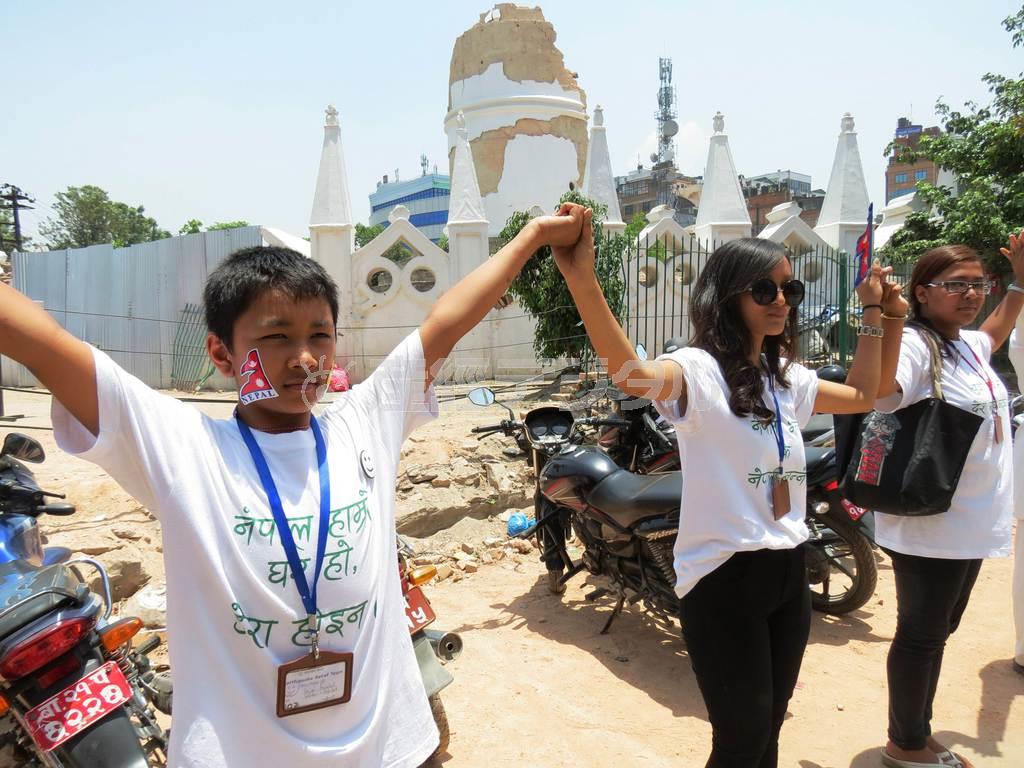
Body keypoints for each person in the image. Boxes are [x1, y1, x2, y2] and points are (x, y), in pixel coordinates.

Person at [0, 207, 584, 768]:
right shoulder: (181, 447)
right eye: (276, 337)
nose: (304, 358)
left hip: (392, 747)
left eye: (320, 336)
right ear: (221, 354)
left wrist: (532, 236)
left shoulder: (366, 420)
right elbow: (40, 340)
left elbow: (447, 320)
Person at [551, 203, 904, 768]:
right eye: (764, 290)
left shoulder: (786, 377)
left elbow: (867, 394)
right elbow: (632, 376)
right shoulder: (697, 370)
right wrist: (582, 278)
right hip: (724, 575)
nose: (781, 302)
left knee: (769, 729)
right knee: (738, 741)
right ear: (729, 297)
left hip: (789, 564)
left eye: (791, 290)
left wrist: (880, 314)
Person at [874, 232, 1024, 768]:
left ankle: (916, 729)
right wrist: (884, 320)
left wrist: (1018, 284)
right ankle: (905, 744)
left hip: (969, 522)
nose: (971, 294)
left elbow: (996, 331)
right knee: (922, 635)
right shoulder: (916, 344)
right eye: (955, 285)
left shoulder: (965, 343)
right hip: (931, 522)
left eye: (977, 284)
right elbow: (883, 391)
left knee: (937, 631)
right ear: (921, 293)